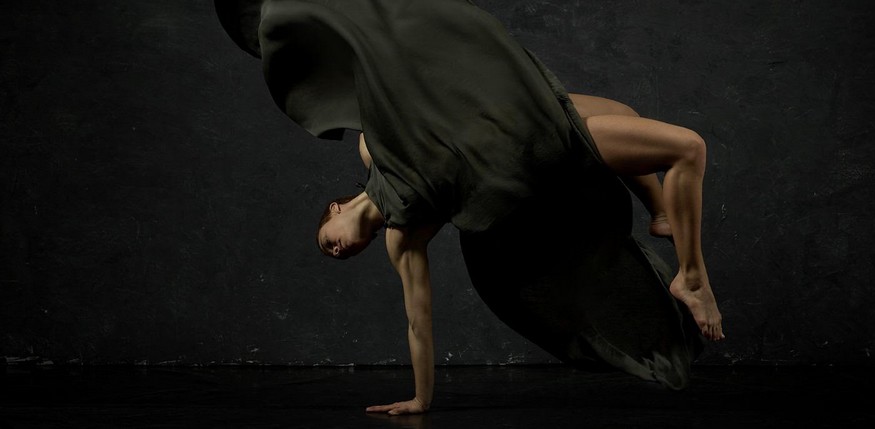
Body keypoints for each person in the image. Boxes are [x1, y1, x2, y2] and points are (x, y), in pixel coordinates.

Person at [216, 0, 723, 416]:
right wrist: (421, 399)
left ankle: (662, 217)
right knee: (679, 145)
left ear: (334, 210)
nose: (338, 251)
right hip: (524, 165)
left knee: (645, 126)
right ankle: (691, 278)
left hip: (515, 124)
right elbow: (419, 321)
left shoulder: (372, 148)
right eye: (337, 256)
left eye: (328, 243)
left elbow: (391, 72)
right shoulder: (404, 236)